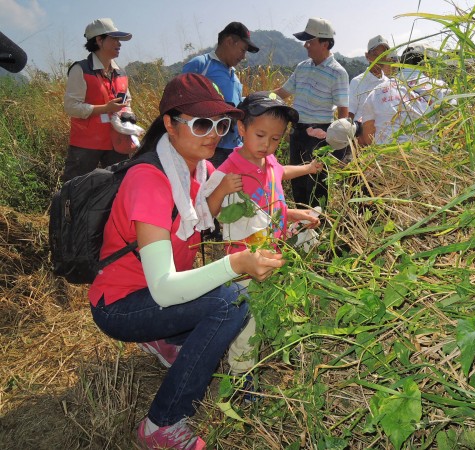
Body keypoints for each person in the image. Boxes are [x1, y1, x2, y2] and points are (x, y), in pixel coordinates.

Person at [87, 73, 285, 450]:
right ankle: (162, 423)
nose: (214, 133)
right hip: (119, 304)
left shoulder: (198, 171)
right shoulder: (150, 180)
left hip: (151, 293)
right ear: (169, 124)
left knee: (224, 304)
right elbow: (163, 287)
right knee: (230, 303)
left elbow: (211, 221)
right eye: (201, 123)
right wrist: (236, 265)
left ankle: (162, 337)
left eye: (221, 124)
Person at [201, 92, 321, 382]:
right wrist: (221, 190)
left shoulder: (268, 162)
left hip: (273, 249)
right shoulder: (228, 169)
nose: (267, 145)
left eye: (276, 139)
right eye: (260, 135)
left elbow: (279, 181)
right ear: (241, 129)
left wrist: (297, 209)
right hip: (244, 259)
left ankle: (270, 350)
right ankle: (242, 377)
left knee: (272, 301)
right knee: (247, 317)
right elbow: (206, 215)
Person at [273, 17, 349, 209]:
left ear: (325, 43)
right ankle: (301, 222)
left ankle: (316, 225)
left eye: (310, 41)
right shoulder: (302, 67)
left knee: (316, 182)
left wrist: (338, 140)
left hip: (320, 134)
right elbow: (282, 93)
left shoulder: (337, 72)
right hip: (298, 131)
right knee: (297, 178)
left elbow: (343, 109)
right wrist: (260, 99)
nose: (306, 45)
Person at [63, 18, 135, 182]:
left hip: (117, 142)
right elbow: (71, 107)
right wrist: (105, 108)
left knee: (119, 186)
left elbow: (127, 102)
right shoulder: (80, 69)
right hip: (85, 145)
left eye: (119, 40)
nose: (119, 44)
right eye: (114, 39)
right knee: (75, 188)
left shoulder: (121, 73)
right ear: (99, 40)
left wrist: (128, 115)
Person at [182, 22, 259, 168]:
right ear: (229, 42)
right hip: (211, 147)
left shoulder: (234, 75)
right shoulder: (201, 65)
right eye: (242, 50)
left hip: (235, 147)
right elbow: (181, 102)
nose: (243, 57)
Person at [358, 76, 427, 146]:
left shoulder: (377, 91)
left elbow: (368, 138)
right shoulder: (436, 86)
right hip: (428, 152)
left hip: (386, 153)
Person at [349, 35, 395, 121]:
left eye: (383, 55)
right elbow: (350, 113)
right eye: (375, 54)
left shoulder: (389, 84)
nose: (379, 59)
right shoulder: (357, 82)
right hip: (361, 132)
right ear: (367, 56)